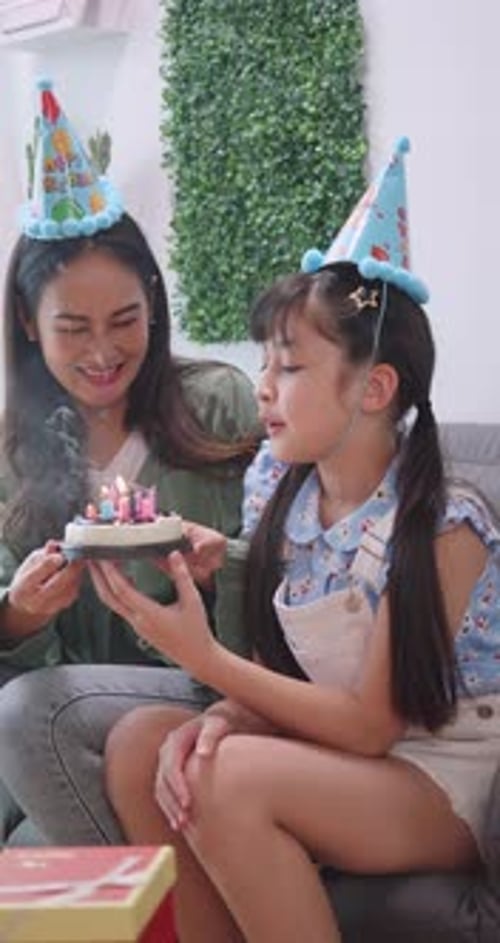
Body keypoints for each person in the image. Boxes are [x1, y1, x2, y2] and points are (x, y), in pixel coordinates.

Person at [88, 141, 500, 943]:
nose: (263, 386)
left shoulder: (444, 524)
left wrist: (208, 664)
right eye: (266, 364)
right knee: (146, 744)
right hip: (346, 753)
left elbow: (372, 724)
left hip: (447, 772)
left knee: (226, 773)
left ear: (373, 388)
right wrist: (235, 708)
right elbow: (300, 677)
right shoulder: (283, 494)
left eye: (291, 366)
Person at [0, 79, 260, 846]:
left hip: (206, 693)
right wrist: (20, 613)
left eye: (124, 320)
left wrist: (226, 566)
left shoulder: (220, 405)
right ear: (28, 321)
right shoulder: (12, 449)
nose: (104, 352)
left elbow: (292, 566)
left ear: (153, 300)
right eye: (73, 328)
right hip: (53, 726)